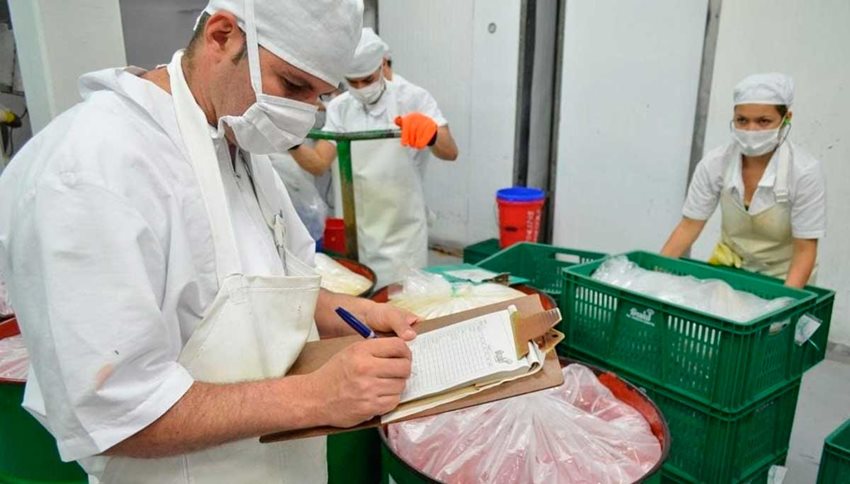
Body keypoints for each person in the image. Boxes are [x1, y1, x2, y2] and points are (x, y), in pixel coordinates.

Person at [0, 1, 419, 482]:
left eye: (320, 95)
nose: (303, 112)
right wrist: (318, 397)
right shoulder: (89, 173)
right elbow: (114, 416)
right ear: (222, 35)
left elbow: (269, 285)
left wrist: (351, 313)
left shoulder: (235, 138)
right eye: (294, 86)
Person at [291, 28, 459, 287]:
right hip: (361, 233)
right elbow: (318, 164)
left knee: (407, 302)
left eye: (367, 80)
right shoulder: (340, 107)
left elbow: (450, 152)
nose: (360, 88)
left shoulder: (412, 98)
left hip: (404, 231)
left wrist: (433, 135)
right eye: (352, 82)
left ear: (382, 66)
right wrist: (291, 142)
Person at [661, 73, 826, 287]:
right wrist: (653, 276)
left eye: (763, 121)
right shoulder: (716, 164)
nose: (751, 131)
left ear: (787, 119)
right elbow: (689, 226)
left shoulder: (803, 172)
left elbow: (805, 250)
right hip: (730, 273)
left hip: (785, 279)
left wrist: (783, 306)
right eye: (742, 120)